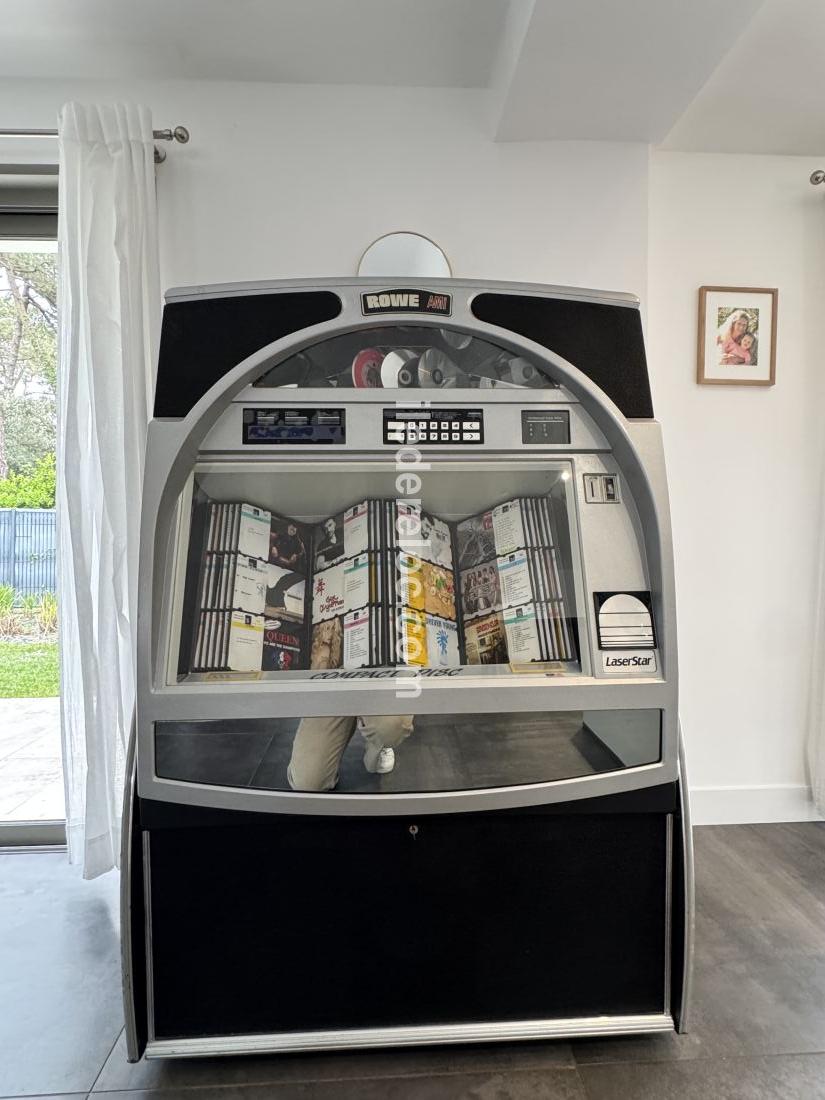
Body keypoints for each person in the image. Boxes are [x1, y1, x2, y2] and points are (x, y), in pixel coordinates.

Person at [287, 714, 414, 791]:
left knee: (390, 729)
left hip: (379, 678)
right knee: (309, 784)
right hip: (330, 679)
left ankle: (378, 739)